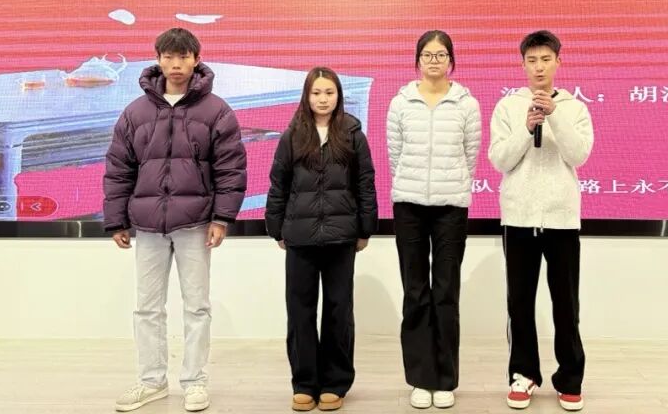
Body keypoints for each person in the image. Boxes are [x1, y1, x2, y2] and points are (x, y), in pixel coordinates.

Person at [104, 28, 248, 412]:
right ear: (158, 59)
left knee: (197, 306)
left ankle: (195, 382)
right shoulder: (135, 112)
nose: (176, 64)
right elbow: (119, 168)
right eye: (168, 57)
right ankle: (151, 381)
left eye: (183, 57)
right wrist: (116, 219)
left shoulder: (216, 110)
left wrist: (222, 217)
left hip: (196, 223)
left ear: (196, 59)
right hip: (148, 225)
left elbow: (231, 168)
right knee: (146, 308)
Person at [487, 30, 594, 412]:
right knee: (519, 303)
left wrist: (554, 116)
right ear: (523, 65)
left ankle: (570, 378)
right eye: (532, 60)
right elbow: (500, 160)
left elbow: (578, 155)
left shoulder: (574, 108)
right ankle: (523, 374)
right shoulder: (508, 107)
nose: (538, 67)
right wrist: (527, 127)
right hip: (518, 218)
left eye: (546, 59)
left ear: (558, 62)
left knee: (566, 304)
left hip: (562, 220)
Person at [265, 67, 378, 412]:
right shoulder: (292, 135)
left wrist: (365, 228)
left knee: (338, 311)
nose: (323, 99)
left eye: (329, 92)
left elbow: (365, 183)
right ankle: (304, 383)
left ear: (338, 96)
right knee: (300, 312)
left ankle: (335, 383)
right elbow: (278, 184)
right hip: (300, 239)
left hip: (342, 238)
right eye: (316, 93)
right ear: (307, 96)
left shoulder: (353, 134)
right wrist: (276, 228)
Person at [385, 30, 481, 409]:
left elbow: (470, 154)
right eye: (428, 55)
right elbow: (395, 154)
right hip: (408, 206)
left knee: (445, 292)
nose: (434, 61)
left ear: (451, 61)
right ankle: (420, 378)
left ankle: (445, 379)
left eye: (441, 55)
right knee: (415, 292)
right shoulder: (401, 102)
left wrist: (451, 187)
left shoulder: (466, 104)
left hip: (450, 207)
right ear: (418, 60)